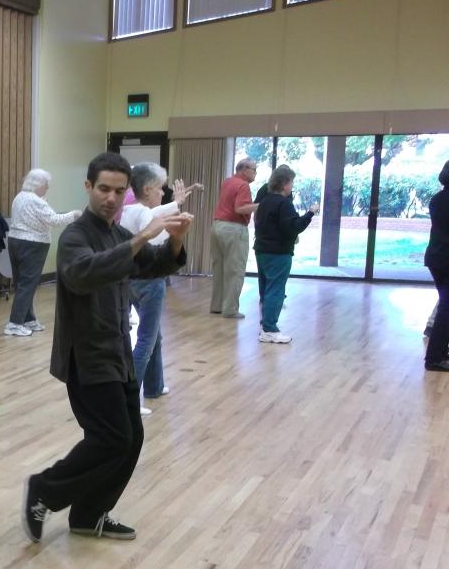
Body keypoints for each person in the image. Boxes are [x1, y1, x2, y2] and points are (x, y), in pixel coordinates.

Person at [21, 152, 192, 543]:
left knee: (130, 439)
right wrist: (141, 238)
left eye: (118, 191)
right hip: (87, 358)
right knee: (111, 438)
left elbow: (155, 264)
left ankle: (89, 514)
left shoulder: (118, 235)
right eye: (103, 189)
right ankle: (45, 489)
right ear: (88, 187)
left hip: (118, 355)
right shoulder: (75, 237)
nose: (111, 198)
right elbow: (83, 274)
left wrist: (176, 240)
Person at [120, 163, 200, 415]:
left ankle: (154, 386)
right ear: (147, 189)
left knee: (155, 336)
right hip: (149, 282)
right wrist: (177, 230)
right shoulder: (142, 214)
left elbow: (154, 214)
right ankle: (131, 401)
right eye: (159, 188)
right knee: (146, 339)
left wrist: (176, 203)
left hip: (132, 282)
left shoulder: (129, 210)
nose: (163, 193)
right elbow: (157, 236)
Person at [4, 169, 81, 336]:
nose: (47, 188)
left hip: (15, 241)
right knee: (28, 284)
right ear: (37, 184)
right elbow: (54, 220)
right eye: (46, 184)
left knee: (22, 283)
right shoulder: (36, 201)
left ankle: (28, 319)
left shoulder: (19, 197)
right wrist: (74, 214)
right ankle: (14, 323)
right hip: (33, 244)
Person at [252, 165, 318, 344]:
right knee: (276, 290)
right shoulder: (283, 204)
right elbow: (294, 227)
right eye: (291, 183)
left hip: (262, 250)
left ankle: (266, 326)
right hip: (278, 253)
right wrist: (310, 213)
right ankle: (269, 329)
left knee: (266, 289)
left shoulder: (264, 202)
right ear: (284, 184)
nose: (292, 186)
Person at [210, 158, 259, 319]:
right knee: (235, 270)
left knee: (219, 269)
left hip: (217, 226)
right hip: (234, 229)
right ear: (244, 170)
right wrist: (261, 205)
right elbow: (240, 208)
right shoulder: (243, 185)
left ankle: (217, 306)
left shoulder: (228, 182)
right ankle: (230, 309)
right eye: (254, 169)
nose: (255, 173)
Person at [424, 160, 449, 371]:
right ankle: (434, 358)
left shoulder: (438, 198)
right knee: (446, 308)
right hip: (445, 259)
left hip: (436, 258)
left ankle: (440, 352)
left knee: (446, 306)